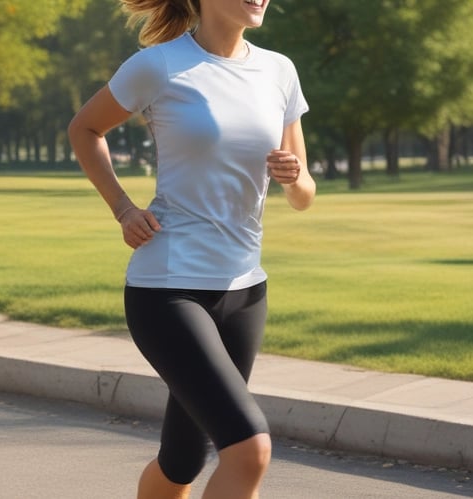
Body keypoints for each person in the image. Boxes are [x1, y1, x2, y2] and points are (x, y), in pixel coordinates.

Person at [68, 0, 314, 497]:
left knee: (181, 461)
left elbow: (304, 192)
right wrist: (123, 208)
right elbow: (85, 129)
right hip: (168, 289)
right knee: (250, 447)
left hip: (245, 292)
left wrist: (294, 177)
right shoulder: (158, 65)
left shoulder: (279, 71)